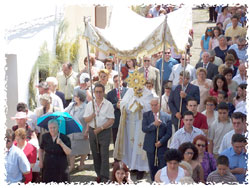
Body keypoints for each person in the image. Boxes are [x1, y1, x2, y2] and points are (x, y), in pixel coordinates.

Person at [84, 83, 115, 183]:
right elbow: (86, 119)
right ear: (93, 93)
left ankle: (105, 177)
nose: (98, 94)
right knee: (95, 154)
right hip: (93, 131)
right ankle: (99, 175)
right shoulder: (90, 105)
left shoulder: (108, 104)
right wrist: (92, 116)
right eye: (96, 92)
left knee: (104, 154)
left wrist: (101, 128)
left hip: (104, 131)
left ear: (103, 92)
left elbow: (111, 120)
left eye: (100, 92)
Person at [142, 97, 172, 181]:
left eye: (155, 105)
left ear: (159, 105)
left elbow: (169, 133)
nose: (154, 107)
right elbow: (144, 129)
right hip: (150, 147)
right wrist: (154, 124)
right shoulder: (146, 115)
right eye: (152, 105)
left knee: (162, 167)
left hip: (161, 147)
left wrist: (161, 142)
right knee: (152, 167)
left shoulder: (167, 117)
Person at [64, 89, 90, 172]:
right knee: (72, 149)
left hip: (82, 130)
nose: (74, 97)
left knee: (83, 148)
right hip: (71, 131)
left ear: (79, 97)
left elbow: (89, 120)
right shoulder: (71, 105)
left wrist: (87, 131)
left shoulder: (86, 107)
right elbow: (64, 112)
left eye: (75, 96)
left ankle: (82, 164)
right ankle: (71, 165)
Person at [107, 75, 128, 145]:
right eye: (115, 81)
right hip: (116, 120)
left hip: (126, 119)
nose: (117, 83)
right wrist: (116, 105)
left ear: (122, 81)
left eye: (119, 81)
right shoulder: (110, 94)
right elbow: (108, 107)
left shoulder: (128, 91)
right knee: (116, 139)